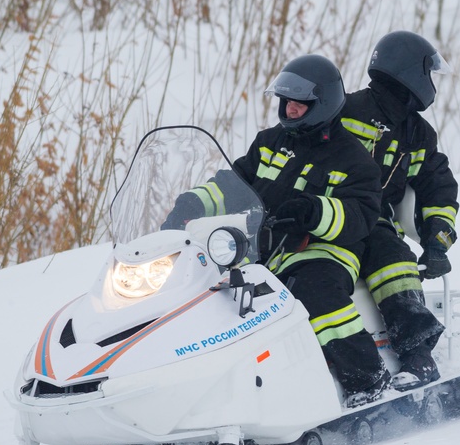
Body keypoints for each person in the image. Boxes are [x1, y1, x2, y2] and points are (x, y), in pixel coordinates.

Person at [164, 54, 391, 408]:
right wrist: (192, 203)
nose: (289, 110)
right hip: (263, 246)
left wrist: (314, 211)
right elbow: (233, 182)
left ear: (323, 104)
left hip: (322, 250)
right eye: (285, 102)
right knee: (204, 293)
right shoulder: (271, 141)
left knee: (314, 291)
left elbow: (359, 215)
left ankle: (367, 378)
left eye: (299, 104)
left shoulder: (354, 159)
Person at [340, 31, 457, 391]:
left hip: (370, 222)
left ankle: (418, 355)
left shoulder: (419, 134)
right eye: (430, 73)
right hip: (316, 214)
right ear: (412, 72)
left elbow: (438, 185)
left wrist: (437, 241)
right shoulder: (343, 109)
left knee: (394, 260)